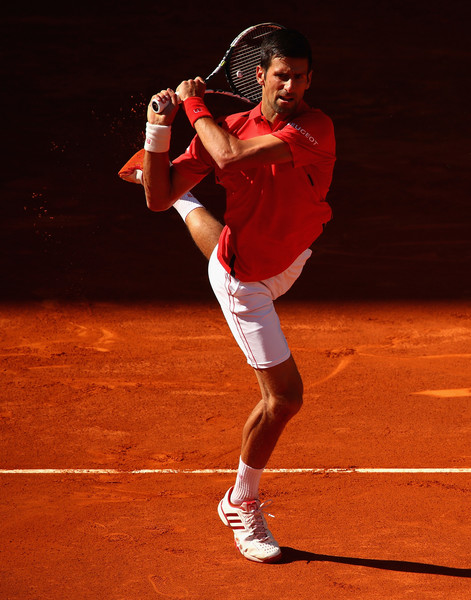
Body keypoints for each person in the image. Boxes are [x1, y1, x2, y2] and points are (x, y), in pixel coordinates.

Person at [119, 28, 336, 563]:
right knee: (285, 398)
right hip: (249, 286)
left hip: (292, 259)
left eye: (301, 76)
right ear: (259, 75)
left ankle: (191, 206)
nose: (291, 86)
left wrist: (191, 104)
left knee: (213, 229)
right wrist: (157, 128)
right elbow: (155, 193)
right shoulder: (222, 127)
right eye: (282, 74)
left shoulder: (315, 128)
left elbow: (234, 157)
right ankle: (241, 501)